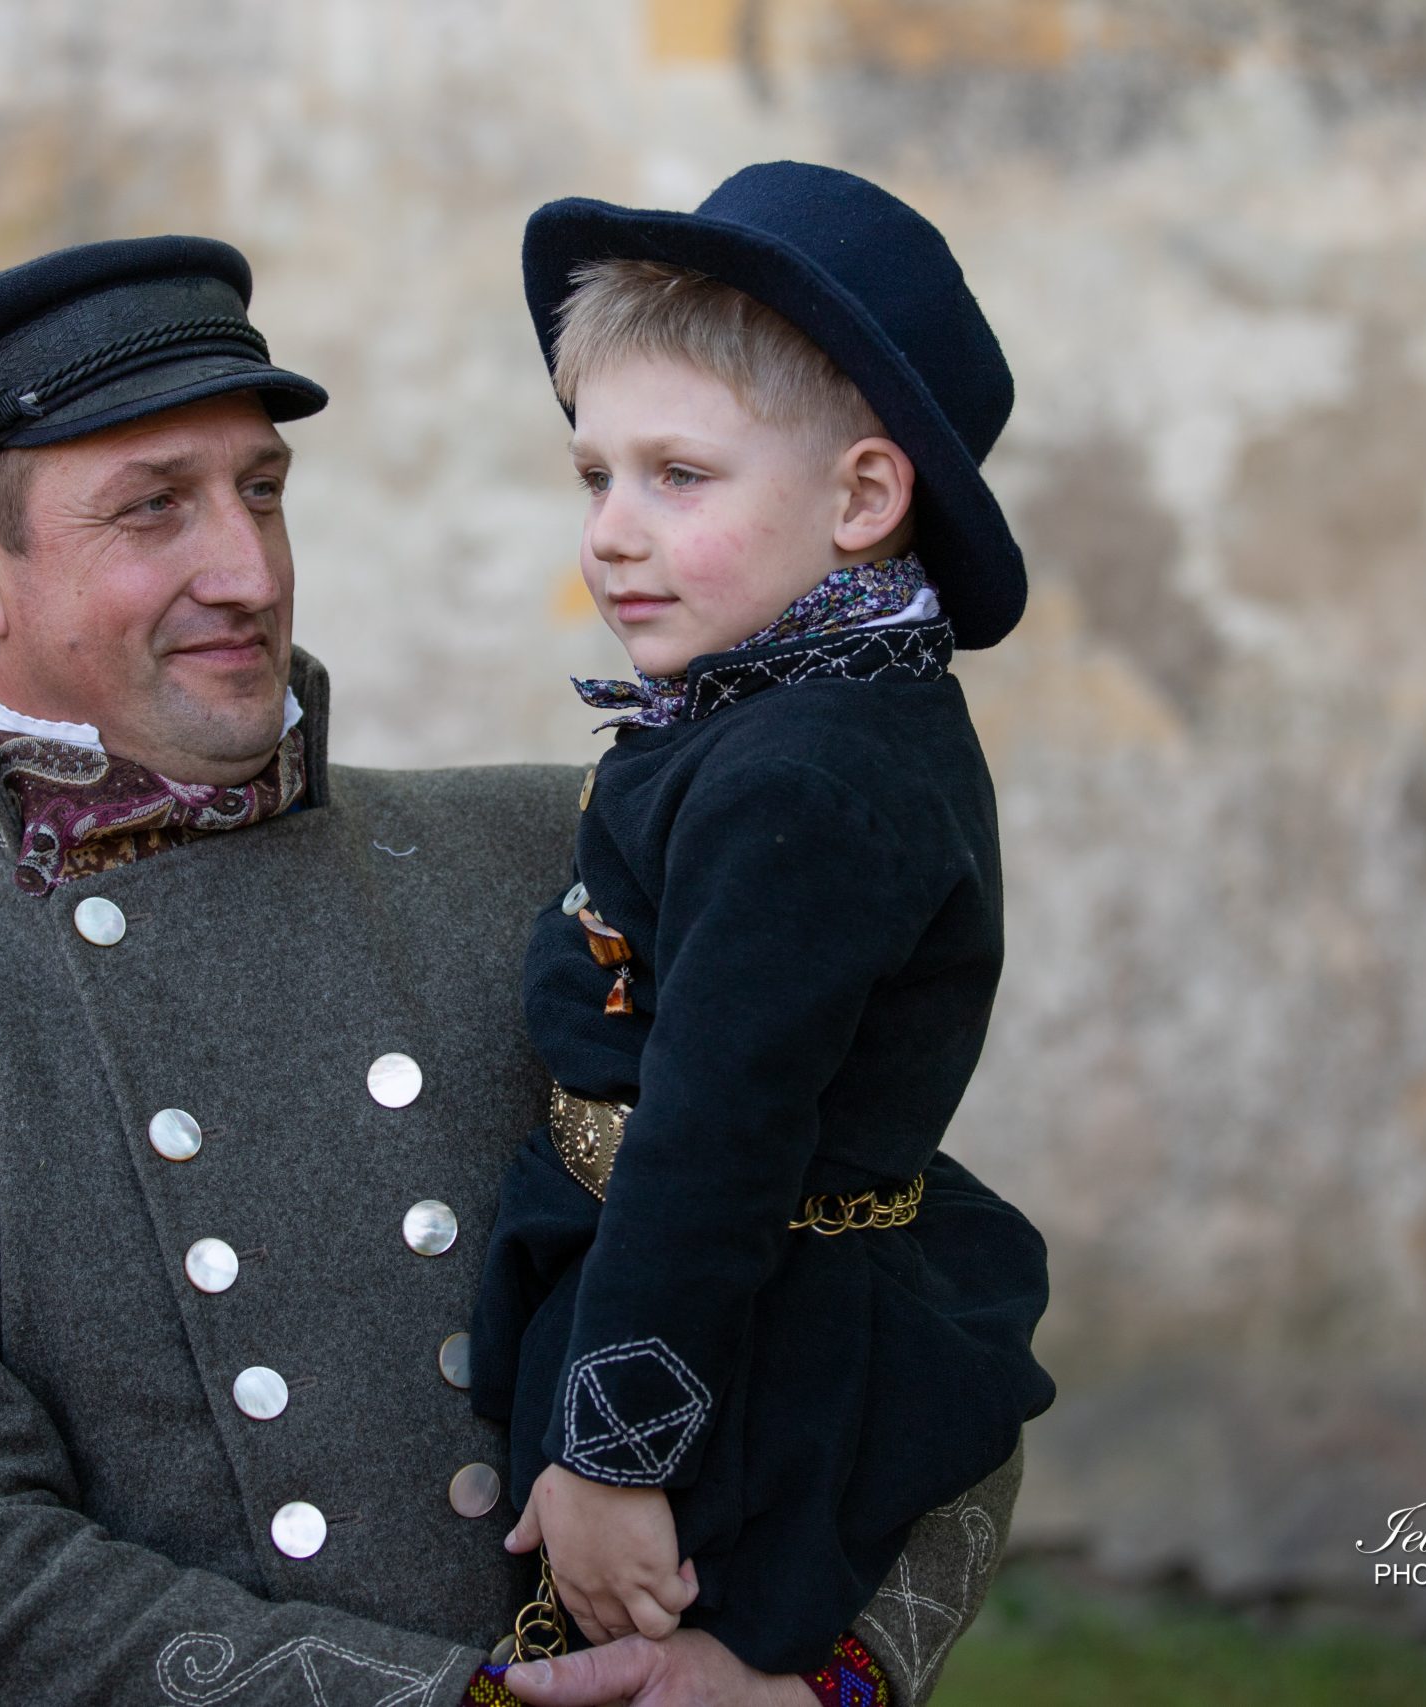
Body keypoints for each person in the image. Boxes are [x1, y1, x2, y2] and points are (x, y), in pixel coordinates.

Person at [0, 232, 1028, 1707]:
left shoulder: (561, 843)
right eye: (155, 507)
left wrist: (825, 1689)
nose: (249, 571)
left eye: (262, 491)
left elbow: (901, 1283)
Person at [466, 162, 1058, 1680]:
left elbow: (718, 1135)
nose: (612, 532)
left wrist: (615, 1455)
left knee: (643, 1661)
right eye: (595, 476)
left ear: (862, 500)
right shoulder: (790, 714)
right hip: (680, 1292)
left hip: (735, 1368)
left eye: (680, 476)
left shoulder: (805, 780)